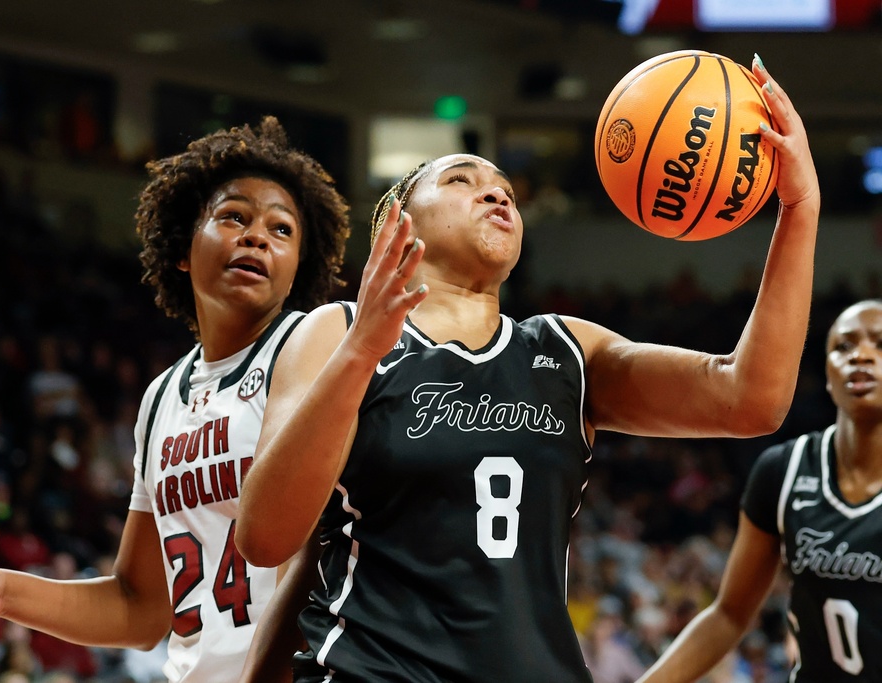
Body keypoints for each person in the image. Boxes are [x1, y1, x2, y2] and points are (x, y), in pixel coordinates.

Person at [234, 55, 819, 681]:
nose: (494, 192)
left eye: (506, 192)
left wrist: (799, 209)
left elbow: (751, 398)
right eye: (461, 180)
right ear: (399, 223)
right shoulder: (336, 331)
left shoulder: (567, 350)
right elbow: (265, 537)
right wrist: (359, 355)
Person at [0, 116, 350, 683]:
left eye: (282, 230)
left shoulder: (314, 340)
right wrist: (1, 590)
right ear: (182, 250)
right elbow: (140, 608)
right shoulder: (163, 396)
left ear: (296, 269)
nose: (257, 236)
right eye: (234, 216)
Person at [638, 298, 882, 683]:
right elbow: (729, 614)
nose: (862, 356)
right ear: (827, 371)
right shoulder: (783, 470)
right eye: (844, 346)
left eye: (879, 344)